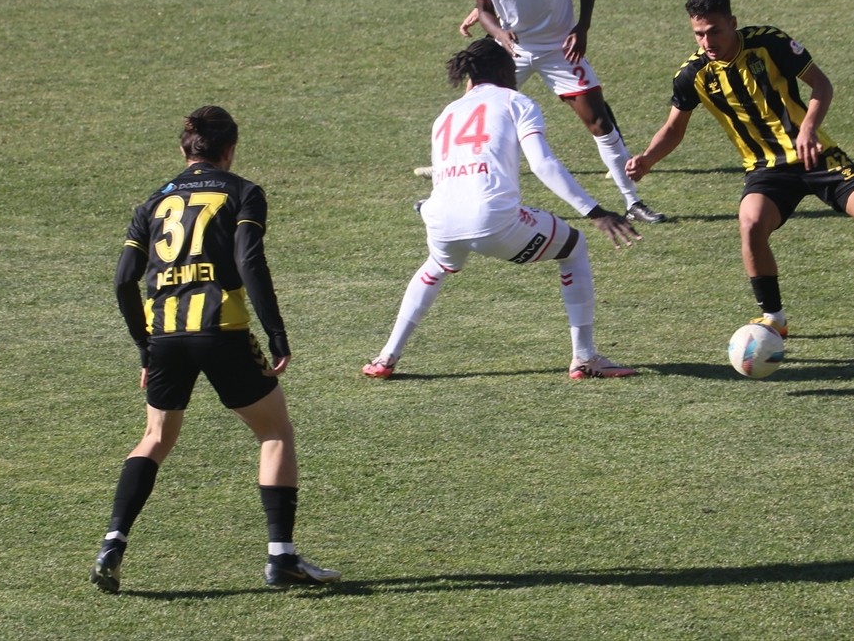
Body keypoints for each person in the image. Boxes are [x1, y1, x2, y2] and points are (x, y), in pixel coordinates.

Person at [90, 106, 341, 593]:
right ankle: (281, 558)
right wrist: (276, 333)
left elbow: (124, 281)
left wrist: (145, 347)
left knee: (155, 439)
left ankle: (113, 543)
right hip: (221, 330)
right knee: (274, 432)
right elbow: (249, 260)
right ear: (230, 150)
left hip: (164, 335)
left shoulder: (152, 203)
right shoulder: (242, 191)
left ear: (185, 149)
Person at [625, 0, 854, 335]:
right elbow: (674, 128)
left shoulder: (770, 43)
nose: (707, 41)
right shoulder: (693, 75)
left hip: (817, 155)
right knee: (750, 225)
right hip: (766, 169)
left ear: (733, 23)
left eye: (714, 31)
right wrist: (647, 159)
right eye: (699, 34)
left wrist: (808, 128)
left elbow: (821, 85)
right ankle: (774, 320)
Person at [363, 38, 642, 381]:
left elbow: (445, 177)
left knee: (435, 266)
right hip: (491, 219)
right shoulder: (516, 102)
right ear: (500, 70)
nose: (515, 74)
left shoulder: (445, 115)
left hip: (441, 218)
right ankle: (584, 358)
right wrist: (595, 211)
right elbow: (543, 164)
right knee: (574, 247)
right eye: (511, 67)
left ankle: (386, 357)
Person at [468, 0, 666, 225]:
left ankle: (633, 201)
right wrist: (500, 35)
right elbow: (483, 11)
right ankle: (455, 197)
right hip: (512, 51)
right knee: (478, 121)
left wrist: (582, 28)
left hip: (559, 48)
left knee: (599, 120)